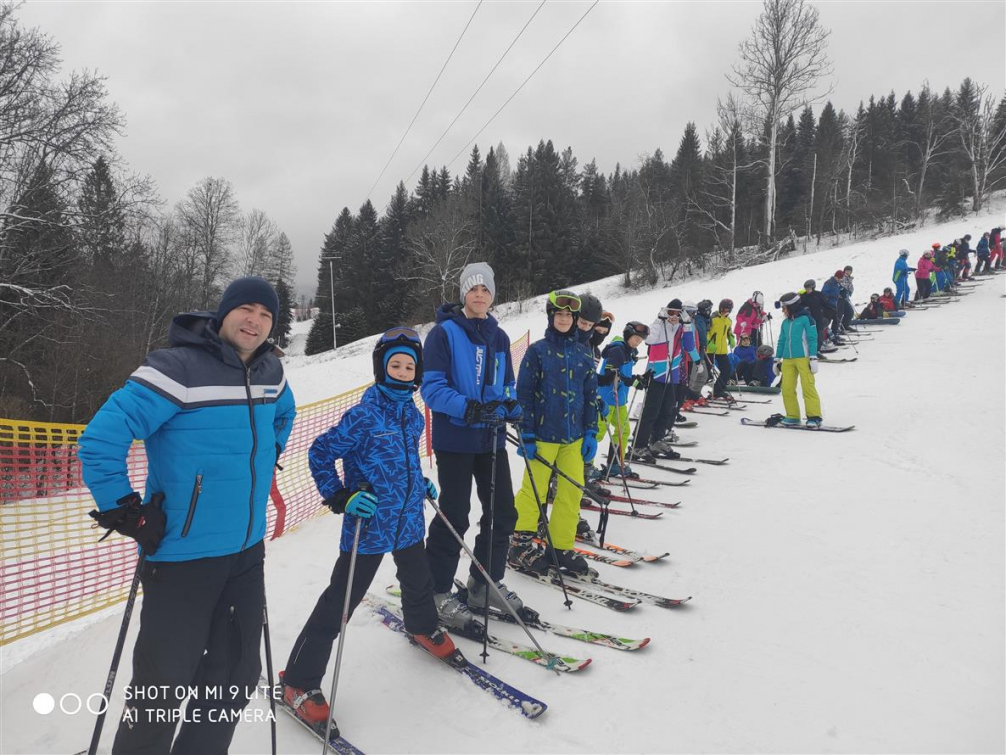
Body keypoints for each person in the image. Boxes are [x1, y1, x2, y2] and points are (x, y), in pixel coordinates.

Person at [77, 276, 296, 754]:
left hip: (245, 553)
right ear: (224, 314)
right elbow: (99, 440)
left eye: (266, 314)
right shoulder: (175, 369)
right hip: (181, 558)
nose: (255, 320)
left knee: (235, 676)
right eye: (246, 309)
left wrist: (264, 456)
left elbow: (285, 414)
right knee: (162, 685)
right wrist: (126, 511)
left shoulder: (271, 373)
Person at [281, 329, 452, 729]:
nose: (403, 371)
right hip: (370, 524)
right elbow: (321, 451)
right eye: (395, 364)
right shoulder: (364, 414)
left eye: (410, 366)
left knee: (419, 578)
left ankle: (423, 625)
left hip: (409, 518)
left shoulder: (412, 411)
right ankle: (298, 680)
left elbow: (405, 458)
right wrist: (339, 496)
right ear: (381, 367)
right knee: (341, 600)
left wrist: (420, 482)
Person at [420, 262, 524, 631]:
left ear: (493, 295)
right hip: (457, 439)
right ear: (463, 293)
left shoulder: (498, 336)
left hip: (491, 437)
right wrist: (469, 407)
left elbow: (506, 385)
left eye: (485, 289)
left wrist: (512, 407)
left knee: (503, 512)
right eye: (472, 289)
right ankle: (436, 592)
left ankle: (484, 582)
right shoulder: (443, 334)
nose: (479, 295)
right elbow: (431, 389)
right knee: (455, 514)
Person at [509, 290, 598, 575]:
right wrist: (527, 433)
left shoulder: (584, 353)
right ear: (551, 316)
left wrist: (592, 431)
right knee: (534, 491)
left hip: (574, 437)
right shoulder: (537, 351)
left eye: (568, 315)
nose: (563, 319)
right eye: (559, 314)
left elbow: (590, 395)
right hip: (543, 435)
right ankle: (519, 544)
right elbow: (524, 394)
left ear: (575, 319)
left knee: (570, 492)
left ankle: (559, 546)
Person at [633, 300, 700, 460]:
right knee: (651, 412)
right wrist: (659, 321)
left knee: (667, 411)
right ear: (665, 312)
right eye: (671, 312)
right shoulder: (658, 325)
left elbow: (689, 346)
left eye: (677, 313)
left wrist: (687, 325)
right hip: (656, 374)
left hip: (673, 375)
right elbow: (649, 340)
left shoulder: (681, 328)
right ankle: (638, 445)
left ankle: (656, 440)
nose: (674, 316)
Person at [596, 321, 649, 477]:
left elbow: (623, 373)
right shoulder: (617, 350)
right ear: (627, 335)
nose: (637, 342)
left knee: (623, 431)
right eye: (635, 338)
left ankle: (614, 464)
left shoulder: (628, 350)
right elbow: (611, 373)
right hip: (607, 398)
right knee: (597, 433)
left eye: (640, 340)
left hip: (620, 399)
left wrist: (637, 378)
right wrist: (631, 380)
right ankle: (584, 466)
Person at [774, 292, 822, 427]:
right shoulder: (785, 323)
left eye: (784, 307)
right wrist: (776, 359)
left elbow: (813, 339)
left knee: (808, 387)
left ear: (792, 306)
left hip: (803, 358)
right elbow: (781, 341)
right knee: (787, 388)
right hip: (788, 359)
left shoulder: (807, 320)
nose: (783, 311)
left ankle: (814, 416)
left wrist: (813, 357)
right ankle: (793, 416)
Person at [707, 298, 736, 397]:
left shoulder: (728, 321)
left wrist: (731, 338)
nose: (725, 312)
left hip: (722, 350)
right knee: (707, 373)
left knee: (726, 370)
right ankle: (697, 393)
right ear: (720, 308)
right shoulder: (712, 318)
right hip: (711, 349)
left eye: (728, 310)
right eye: (724, 309)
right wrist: (708, 342)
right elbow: (705, 332)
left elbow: (729, 331)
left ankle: (718, 390)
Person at [799, 280, 835, 355]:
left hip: (818, 317)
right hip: (808, 319)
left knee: (820, 335)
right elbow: (800, 306)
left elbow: (825, 304)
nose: (807, 290)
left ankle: (818, 350)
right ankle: (811, 351)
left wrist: (832, 308)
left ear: (813, 287)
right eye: (806, 288)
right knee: (810, 336)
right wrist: (805, 308)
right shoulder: (803, 297)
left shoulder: (819, 295)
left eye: (808, 288)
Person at [821, 271, 846, 344]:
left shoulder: (836, 283)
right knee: (827, 322)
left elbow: (838, 290)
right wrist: (832, 296)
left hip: (834, 305)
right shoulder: (829, 283)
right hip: (827, 306)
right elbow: (824, 293)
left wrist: (843, 292)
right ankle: (824, 337)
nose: (840, 280)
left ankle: (834, 336)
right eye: (839, 278)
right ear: (836, 276)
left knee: (836, 321)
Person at [838, 265, 856, 331]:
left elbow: (850, 287)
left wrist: (850, 292)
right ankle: (836, 329)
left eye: (849, 271)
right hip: (839, 298)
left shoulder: (849, 278)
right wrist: (843, 291)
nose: (847, 272)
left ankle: (845, 326)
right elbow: (840, 285)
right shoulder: (842, 277)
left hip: (845, 298)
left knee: (850, 312)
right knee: (839, 314)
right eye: (846, 270)